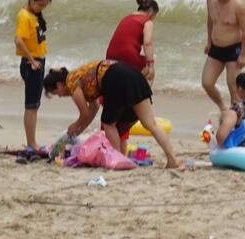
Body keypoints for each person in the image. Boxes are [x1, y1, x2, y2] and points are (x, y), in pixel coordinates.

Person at [44, 60, 181, 169]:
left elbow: (85, 113)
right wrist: (78, 130)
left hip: (115, 78)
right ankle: (172, 160)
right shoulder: (79, 76)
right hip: (131, 73)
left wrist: (74, 126)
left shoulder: (71, 82)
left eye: (56, 93)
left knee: (108, 123)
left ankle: (117, 160)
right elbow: (94, 108)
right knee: (151, 124)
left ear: (59, 85)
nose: (60, 96)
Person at [202, 0, 245, 114]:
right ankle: (223, 107)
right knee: (207, 83)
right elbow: (210, 21)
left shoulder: (238, 6)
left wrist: (243, 55)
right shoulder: (210, 0)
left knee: (233, 84)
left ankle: (237, 116)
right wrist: (209, 41)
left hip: (233, 48)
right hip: (216, 48)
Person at [15, 0, 53, 155]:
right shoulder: (24, 16)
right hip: (31, 64)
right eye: (40, 5)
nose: (42, 8)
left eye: (45, 6)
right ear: (32, 0)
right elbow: (18, 41)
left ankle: (32, 142)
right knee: (31, 106)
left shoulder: (33, 15)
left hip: (38, 62)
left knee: (35, 105)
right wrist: (32, 60)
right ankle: (31, 143)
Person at [106, 0, 159, 83]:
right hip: (127, 55)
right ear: (151, 12)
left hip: (110, 56)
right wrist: (151, 65)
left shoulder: (126, 18)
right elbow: (147, 43)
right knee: (149, 71)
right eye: (154, 16)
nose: (153, 19)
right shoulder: (147, 21)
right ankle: (142, 95)